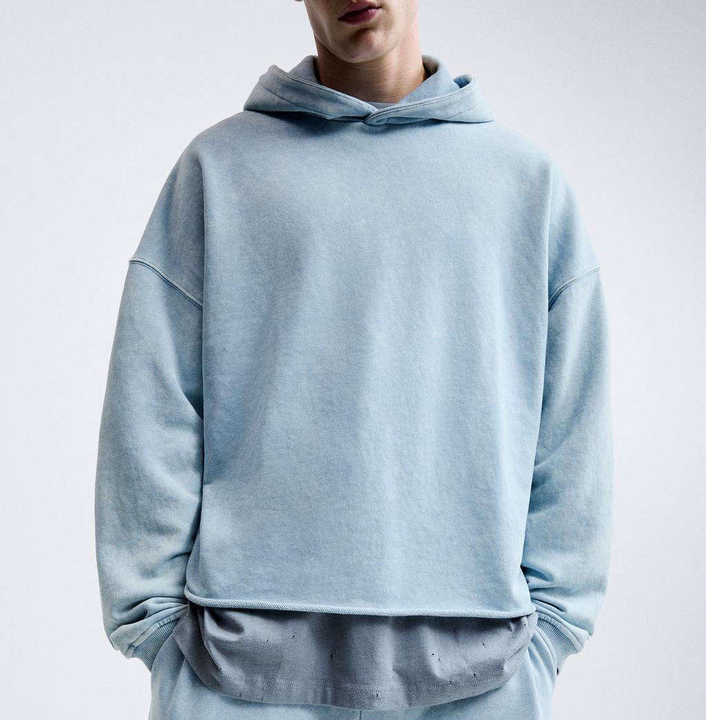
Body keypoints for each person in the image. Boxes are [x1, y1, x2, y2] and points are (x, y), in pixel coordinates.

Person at [94, 1, 614, 718]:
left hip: (482, 668)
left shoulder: (526, 185)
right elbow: (152, 399)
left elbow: (571, 422)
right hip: (232, 666)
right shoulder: (219, 170)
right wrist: (153, 625)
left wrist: (552, 629)